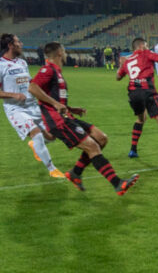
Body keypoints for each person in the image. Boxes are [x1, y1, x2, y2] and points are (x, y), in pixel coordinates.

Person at [29, 42, 139, 195]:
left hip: (67, 115)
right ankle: (117, 183)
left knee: (101, 139)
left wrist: (71, 108)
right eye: (64, 51)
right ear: (60, 53)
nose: (66, 54)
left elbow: (55, 97)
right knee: (92, 147)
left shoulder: (56, 71)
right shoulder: (47, 69)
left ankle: (75, 173)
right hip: (58, 121)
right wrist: (55, 104)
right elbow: (32, 87)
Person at [0, 34, 64, 178]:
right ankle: (52, 169)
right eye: (18, 42)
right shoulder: (1, 65)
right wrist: (13, 95)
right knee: (36, 132)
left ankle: (35, 146)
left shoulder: (22, 63)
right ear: (10, 45)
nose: (21, 44)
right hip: (15, 109)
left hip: (32, 106)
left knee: (52, 135)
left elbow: (30, 83)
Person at [116, 37, 158, 163]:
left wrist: (121, 65)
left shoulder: (127, 60)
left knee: (141, 119)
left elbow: (118, 77)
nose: (148, 47)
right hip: (148, 92)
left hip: (133, 94)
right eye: (146, 45)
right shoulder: (146, 53)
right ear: (142, 45)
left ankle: (133, 150)